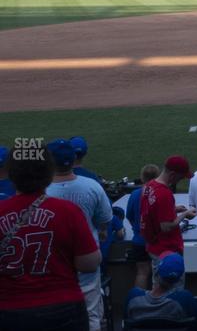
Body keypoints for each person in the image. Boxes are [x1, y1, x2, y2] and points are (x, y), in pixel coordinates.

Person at [0, 141, 102, 331]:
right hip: (62, 307)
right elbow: (89, 264)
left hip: (9, 310)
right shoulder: (67, 211)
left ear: (11, 175)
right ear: (48, 173)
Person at [46, 140, 111, 331]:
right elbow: (105, 221)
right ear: (74, 158)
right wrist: (102, 231)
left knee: (55, 314)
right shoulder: (92, 186)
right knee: (90, 314)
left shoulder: (42, 190)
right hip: (87, 258)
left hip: (54, 262)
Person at [142, 156, 197, 287]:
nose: (181, 180)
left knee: (158, 287)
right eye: (181, 177)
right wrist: (185, 214)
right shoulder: (164, 193)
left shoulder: (149, 186)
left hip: (154, 246)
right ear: (172, 174)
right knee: (171, 292)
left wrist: (173, 210)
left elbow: (153, 210)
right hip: (167, 250)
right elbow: (166, 227)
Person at [124, 253, 197, 324]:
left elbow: (126, 322)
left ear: (156, 273)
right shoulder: (184, 299)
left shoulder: (133, 297)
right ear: (179, 279)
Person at [125, 164, 159, 290]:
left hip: (139, 240)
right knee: (159, 273)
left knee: (142, 273)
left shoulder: (135, 194)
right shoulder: (160, 192)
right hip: (156, 241)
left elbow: (129, 214)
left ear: (142, 178)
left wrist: (136, 227)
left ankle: (139, 305)